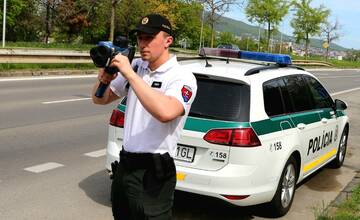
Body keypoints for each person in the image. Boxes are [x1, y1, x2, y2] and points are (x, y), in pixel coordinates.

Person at [92, 14, 197, 220]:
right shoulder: (137, 66)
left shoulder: (182, 77)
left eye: (149, 38)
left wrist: (130, 75)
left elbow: (166, 113)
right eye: (140, 38)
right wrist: (104, 78)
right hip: (126, 164)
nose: (143, 44)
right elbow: (100, 99)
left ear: (168, 41)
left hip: (154, 171)